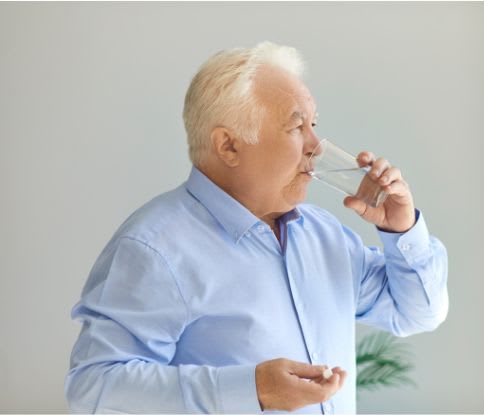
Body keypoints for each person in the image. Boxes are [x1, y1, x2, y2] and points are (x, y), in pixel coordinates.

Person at [65, 41, 449, 414]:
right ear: (228, 146)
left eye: (314, 124)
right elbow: (95, 389)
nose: (316, 145)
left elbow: (417, 313)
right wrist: (252, 391)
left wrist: (402, 231)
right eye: (297, 126)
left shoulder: (323, 235)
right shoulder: (154, 248)